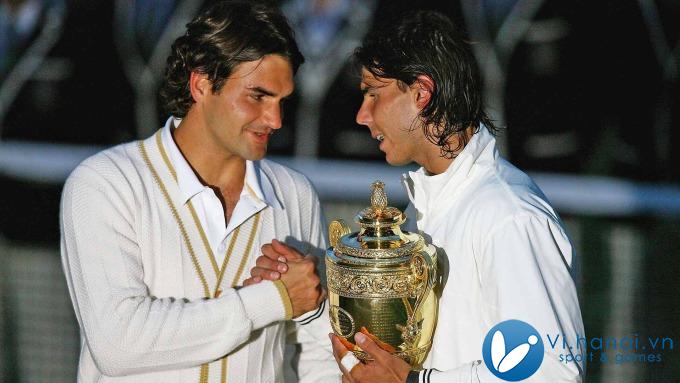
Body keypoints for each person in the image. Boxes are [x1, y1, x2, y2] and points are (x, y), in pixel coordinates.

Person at [250, 9, 585, 383]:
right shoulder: (422, 209)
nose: (362, 115)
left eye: (374, 94)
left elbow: (550, 371)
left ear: (422, 93)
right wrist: (315, 300)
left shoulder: (507, 214)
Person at [60, 2, 339, 382]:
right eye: (258, 96)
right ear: (202, 84)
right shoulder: (104, 183)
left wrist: (307, 307)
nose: (275, 120)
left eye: (281, 101)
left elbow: (315, 352)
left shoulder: (295, 193)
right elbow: (118, 343)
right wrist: (272, 300)